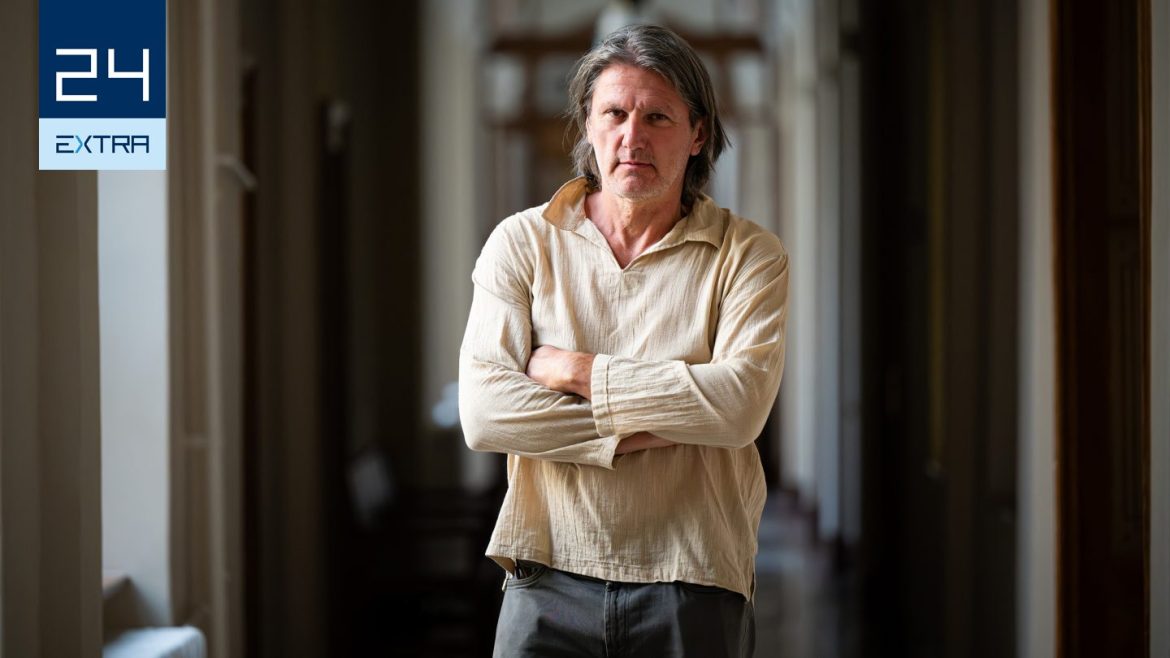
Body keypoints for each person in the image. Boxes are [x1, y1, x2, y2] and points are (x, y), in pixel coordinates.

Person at [459, 23, 788, 657]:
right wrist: (652, 426)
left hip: (693, 577)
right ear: (588, 125)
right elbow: (486, 413)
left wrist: (577, 372)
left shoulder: (749, 255)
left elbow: (738, 408)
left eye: (657, 117)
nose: (632, 137)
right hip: (545, 573)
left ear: (698, 134)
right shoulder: (522, 244)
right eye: (614, 113)